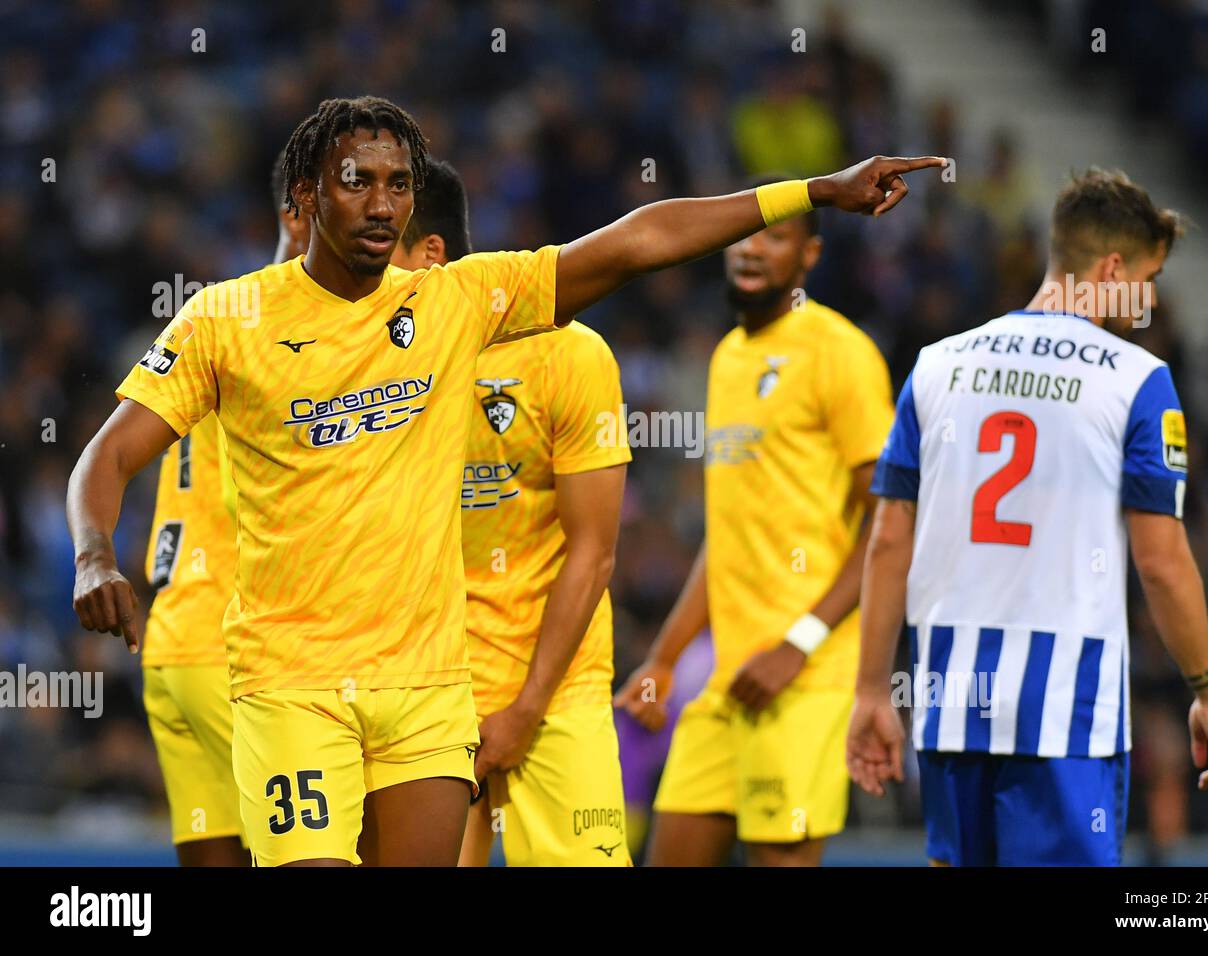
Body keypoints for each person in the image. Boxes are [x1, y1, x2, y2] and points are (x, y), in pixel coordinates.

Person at [68, 92, 945, 866]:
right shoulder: (228, 317)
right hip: (288, 684)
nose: (382, 203)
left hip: (425, 693)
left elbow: (638, 242)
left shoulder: (452, 303)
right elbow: (106, 456)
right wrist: (94, 556)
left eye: (398, 184)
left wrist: (813, 189)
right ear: (304, 197)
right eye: (356, 181)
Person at [849, 168, 1208, 866]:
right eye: (1146, 281)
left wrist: (873, 688)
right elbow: (1161, 559)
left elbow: (887, 540)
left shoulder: (936, 366)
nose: (1148, 302)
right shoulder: (1138, 381)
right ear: (1112, 267)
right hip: (1067, 711)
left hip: (950, 703)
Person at [617, 177, 895, 866]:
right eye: (744, 233)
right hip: (727, 682)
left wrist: (796, 643)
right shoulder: (726, 359)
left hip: (804, 677)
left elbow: (891, 523)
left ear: (809, 256)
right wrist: (664, 656)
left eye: (774, 236)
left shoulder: (840, 351)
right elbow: (729, 533)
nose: (750, 248)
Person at [390, 160, 633, 866]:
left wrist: (526, 706)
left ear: (430, 254)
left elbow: (595, 551)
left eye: (385, 256)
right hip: (429, 692)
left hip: (555, 693)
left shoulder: (572, 355)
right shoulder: (385, 363)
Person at [137, 154, 310, 867]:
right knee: (338, 845)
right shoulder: (286, 330)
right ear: (297, 215)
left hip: (174, 640)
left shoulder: (211, 317)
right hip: (237, 649)